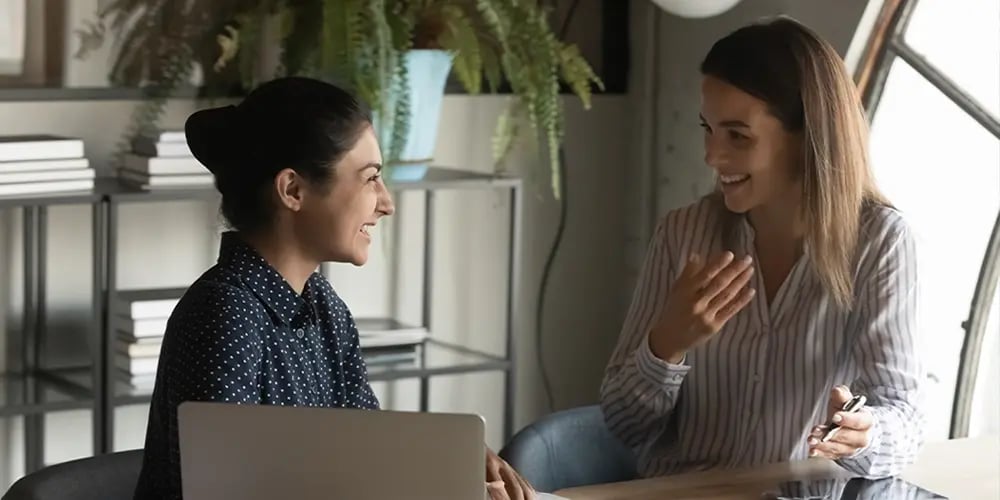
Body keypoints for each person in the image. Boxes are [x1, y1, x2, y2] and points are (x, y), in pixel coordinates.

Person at [132, 76, 535, 500]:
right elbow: (230, 489)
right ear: (293, 190)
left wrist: (453, 464)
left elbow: (365, 453)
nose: (386, 202)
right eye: (369, 179)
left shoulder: (324, 307)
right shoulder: (224, 314)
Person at [600, 17, 924, 480]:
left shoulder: (881, 244)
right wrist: (665, 346)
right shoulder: (682, 234)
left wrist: (864, 433)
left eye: (737, 135)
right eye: (707, 129)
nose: (712, 156)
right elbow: (622, 425)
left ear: (806, 136)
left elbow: (905, 420)